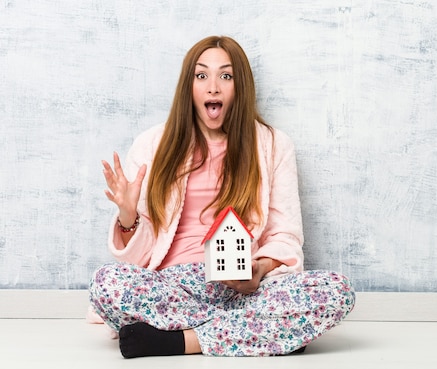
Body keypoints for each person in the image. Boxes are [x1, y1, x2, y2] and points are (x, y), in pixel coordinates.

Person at [88, 35, 355, 358]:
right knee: (107, 282)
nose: (213, 87)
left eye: (225, 76)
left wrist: (258, 269)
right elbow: (136, 262)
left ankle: (181, 341)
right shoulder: (152, 145)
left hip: (244, 288)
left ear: (240, 87)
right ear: (189, 87)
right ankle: (268, 334)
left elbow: (285, 236)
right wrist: (129, 218)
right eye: (201, 76)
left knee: (336, 291)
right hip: (173, 285)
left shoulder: (273, 145)